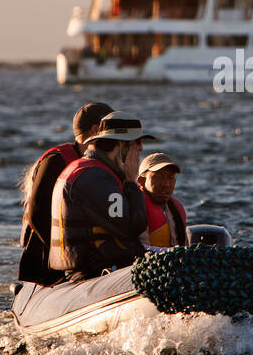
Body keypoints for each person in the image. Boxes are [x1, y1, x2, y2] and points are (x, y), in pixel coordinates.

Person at [47, 111, 155, 283]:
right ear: (120, 145)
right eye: (137, 142)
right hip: (89, 273)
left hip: (94, 268)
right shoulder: (95, 177)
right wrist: (131, 181)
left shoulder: (91, 170)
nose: (141, 148)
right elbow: (132, 226)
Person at [18, 102, 113, 284]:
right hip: (51, 262)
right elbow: (37, 213)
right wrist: (69, 256)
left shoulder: (105, 164)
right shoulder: (56, 161)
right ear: (96, 130)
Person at [138, 152, 188, 248]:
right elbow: (139, 250)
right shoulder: (135, 207)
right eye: (159, 177)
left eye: (170, 178)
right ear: (142, 181)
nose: (166, 184)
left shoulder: (176, 208)